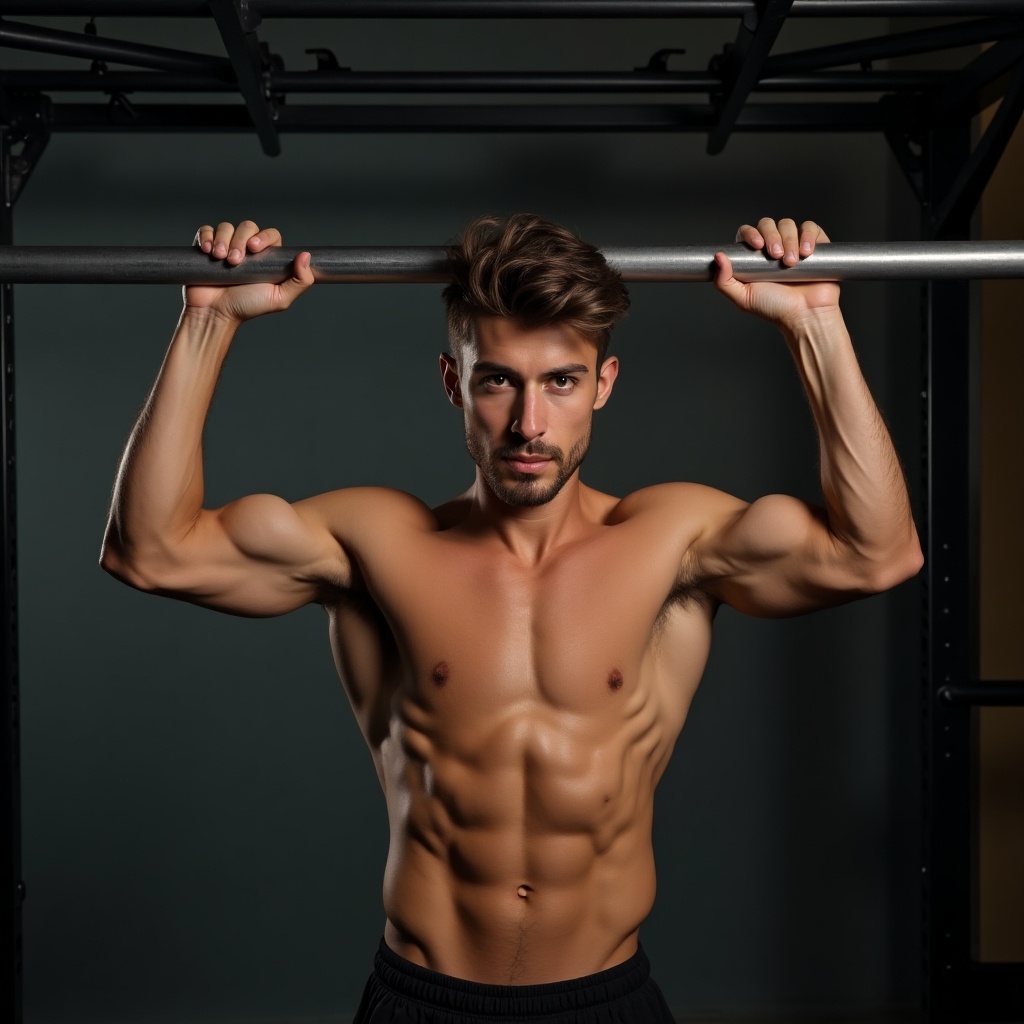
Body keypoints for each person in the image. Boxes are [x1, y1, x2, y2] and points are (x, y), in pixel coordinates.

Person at [100, 214, 923, 1024]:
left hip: (606, 997)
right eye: (499, 380)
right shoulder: (377, 544)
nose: (530, 424)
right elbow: (152, 551)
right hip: (425, 999)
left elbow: (876, 553)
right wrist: (205, 322)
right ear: (454, 382)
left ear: (603, 383)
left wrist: (818, 326)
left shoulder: (672, 541)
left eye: (561, 381)